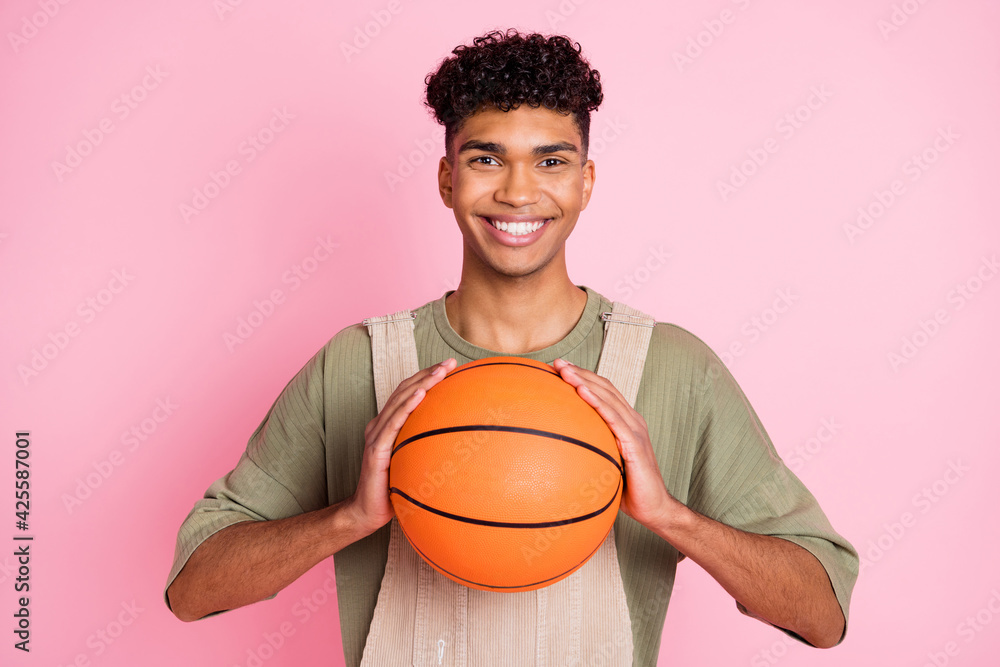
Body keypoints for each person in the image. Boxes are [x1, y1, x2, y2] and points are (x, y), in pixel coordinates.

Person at [165, 28, 858, 665]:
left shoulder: (674, 368)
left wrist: (670, 515)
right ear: (447, 179)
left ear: (585, 182)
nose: (519, 191)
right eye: (487, 157)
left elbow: (822, 615)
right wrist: (351, 517)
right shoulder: (358, 365)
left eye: (551, 160)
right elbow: (194, 589)